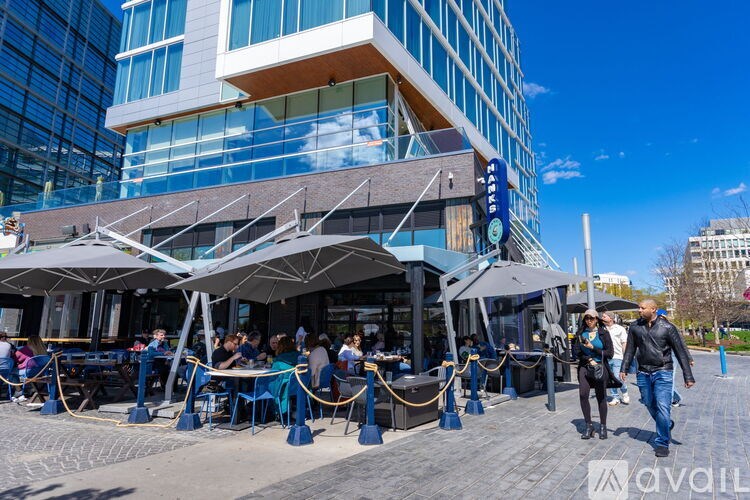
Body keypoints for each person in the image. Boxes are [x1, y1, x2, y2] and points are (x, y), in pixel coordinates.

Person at [620, 299, 695, 458]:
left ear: (653, 309)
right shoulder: (635, 327)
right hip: (643, 372)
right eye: (638, 307)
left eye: (642, 308)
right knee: (648, 402)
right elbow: (630, 350)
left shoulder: (667, 328)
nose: (639, 310)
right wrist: (624, 368)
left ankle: (662, 443)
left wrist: (688, 376)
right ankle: (666, 424)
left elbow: (680, 352)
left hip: (663, 371)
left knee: (662, 405)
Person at [572, 309, 618, 440]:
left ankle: (603, 426)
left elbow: (610, 353)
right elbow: (576, 352)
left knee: (601, 396)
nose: (589, 321)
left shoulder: (603, 333)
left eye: (592, 318)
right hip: (585, 367)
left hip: (600, 368)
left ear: (597, 319)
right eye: (586, 318)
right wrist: (588, 359)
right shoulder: (581, 333)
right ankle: (589, 426)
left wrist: (593, 348)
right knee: (583, 395)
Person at [601, 311, 630, 406]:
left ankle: (624, 392)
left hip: (618, 357)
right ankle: (615, 397)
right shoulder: (601, 329)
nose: (602, 318)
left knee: (617, 377)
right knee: (610, 378)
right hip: (606, 357)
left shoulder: (620, 329)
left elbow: (624, 343)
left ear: (611, 318)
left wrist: (625, 358)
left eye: (604, 316)